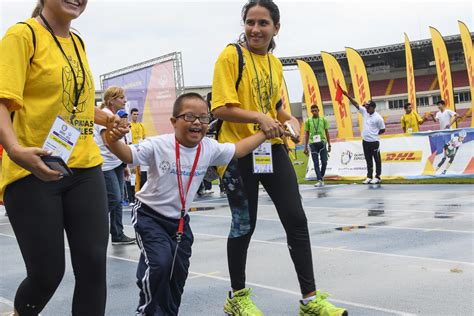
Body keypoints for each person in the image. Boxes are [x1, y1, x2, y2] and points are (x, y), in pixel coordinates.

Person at [211, 1, 347, 315]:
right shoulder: (231, 55)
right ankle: (237, 297)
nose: (255, 29)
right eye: (250, 22)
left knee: (296, 220)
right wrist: (260, 118)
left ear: (276, 28)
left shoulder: (274, 63)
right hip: (238, 153)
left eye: (263, 23)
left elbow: (277, 109)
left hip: (272, 151)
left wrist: (292, 122)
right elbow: (220, 108)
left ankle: (310, 301)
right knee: (244, 225)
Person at [0, 0, 126, 314]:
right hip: (34, 168)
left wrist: (103, 117)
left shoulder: (78, 41)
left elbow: (70, 102)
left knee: (94, 265)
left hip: (85, 167)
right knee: (47, 274)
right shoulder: (22, 36)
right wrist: (15, 151)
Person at [105, 92, 273, 316]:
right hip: (150, 216)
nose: (197, 122)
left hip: (180, 222)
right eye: (190, 116)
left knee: (178, 272)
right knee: (160, 264)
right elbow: (127, 155)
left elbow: (238, 150)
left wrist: (265, 133)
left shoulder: (209, 147)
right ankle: (146, 311)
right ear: (174, 122)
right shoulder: (158, 145)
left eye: (203, 118)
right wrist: (112, 140)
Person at [94, 86, 136, 245]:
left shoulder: (113, 115)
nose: (125, 100)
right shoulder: (105, 116)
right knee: (114, 198)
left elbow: (119, 142)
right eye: (121, 97)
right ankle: (93, 224)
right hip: (106, 164)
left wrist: (124, 163)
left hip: (116, 162)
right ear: (111, 100)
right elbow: (108, 141)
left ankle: (117, 234)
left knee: (118, 201)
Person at [342, 90, 385, 184]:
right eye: (366, 107)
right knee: (368, 160)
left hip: (374, 142)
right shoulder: (365, 112)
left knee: (377, 160)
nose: (366, 108)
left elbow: (382, 130)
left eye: (368, 107)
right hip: (365, 141)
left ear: (373, 108)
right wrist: (347, 96)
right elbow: (356, 104)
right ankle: (369, 177)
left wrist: (374, 135)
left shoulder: (378, 118)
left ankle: (377, 177)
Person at [303, 104, 331, 187]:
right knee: (315, 163)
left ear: (318, 110)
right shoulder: (308, 121)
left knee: (324, 162)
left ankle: (321, 177)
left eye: (316, 110)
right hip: (313, 144)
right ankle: (319, 179)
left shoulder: (323, 120)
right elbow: (306, 134)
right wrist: (305, 147)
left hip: (322, 143)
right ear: (311, 112)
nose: (314, 112)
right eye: (313, 111)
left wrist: (329, 144)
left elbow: (327, 132)